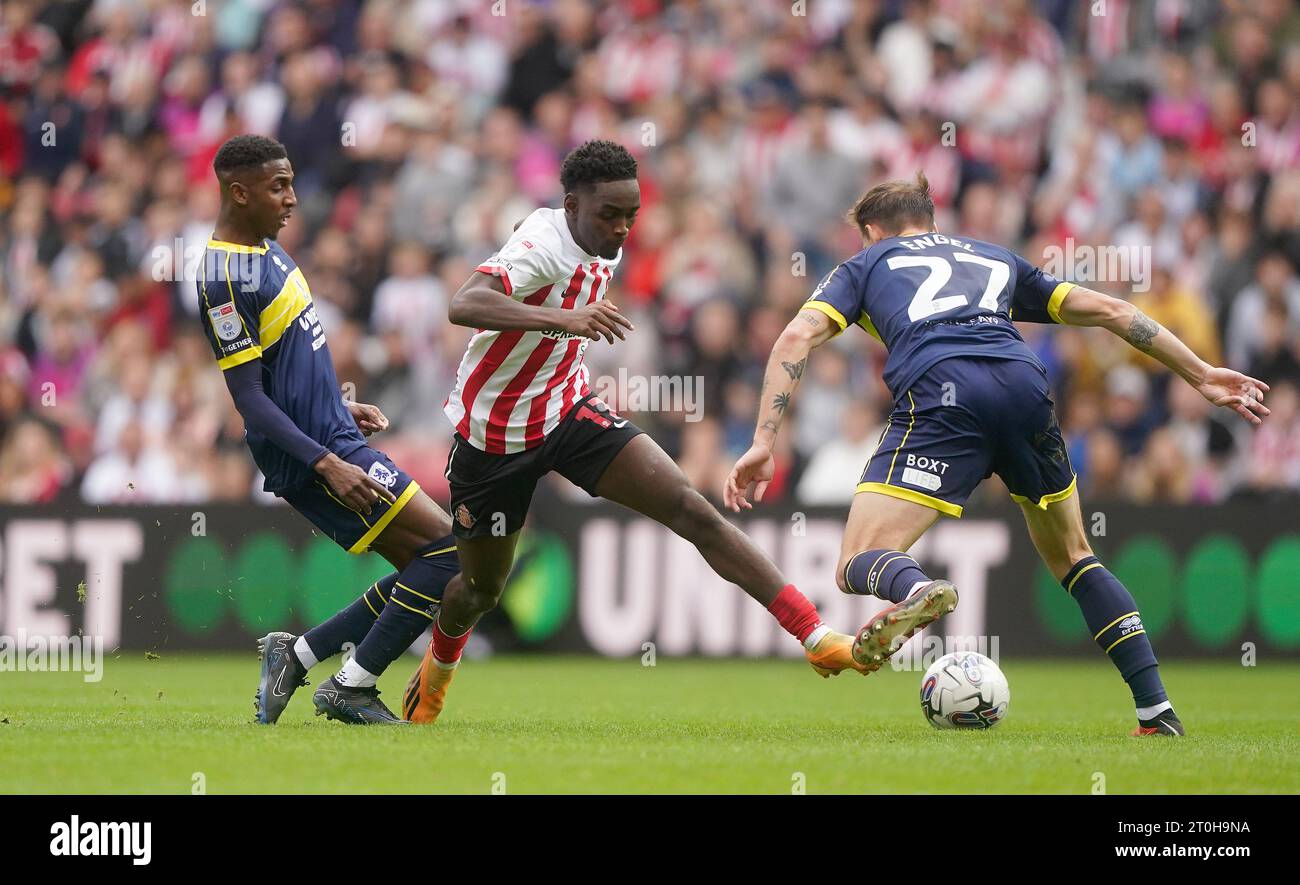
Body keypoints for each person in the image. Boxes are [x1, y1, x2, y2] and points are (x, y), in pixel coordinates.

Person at [726, 173, 1270, 737]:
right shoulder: (992, 257)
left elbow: (794, 338)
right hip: (1025, 386)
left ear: (870, 231)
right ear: (931, 221)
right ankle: (1157, 713)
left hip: (944, 393)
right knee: (1076, 556)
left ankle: (915, 589)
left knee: (858, 558)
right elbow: (1108, 310)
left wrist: (764, 441)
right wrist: (1200, 373)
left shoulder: (865, 265)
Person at [400, 140, 876, 725]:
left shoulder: (604, 242)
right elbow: (464, 302)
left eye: (632, 214)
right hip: (493, 435)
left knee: (690, 508)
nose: (623, 228)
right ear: (571, 204)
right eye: (610, 215)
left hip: (567, 409)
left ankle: (814, 633)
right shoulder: (541, 244)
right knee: (479, 591)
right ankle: (437, 671)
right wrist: (563, 319)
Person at [199, 134, 461, 726]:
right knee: (448, 558)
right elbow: (248, 399)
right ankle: (348, 685)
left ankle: (299, 656)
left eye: (291, 182)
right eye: (278, 186)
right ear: (239, 192)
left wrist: (340, 408)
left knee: (429, 561)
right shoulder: (223, 279)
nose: (292, 198)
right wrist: (324, 459)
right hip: (312, 455)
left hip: (331, 434)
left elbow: (290, 363)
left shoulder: (268, 250)